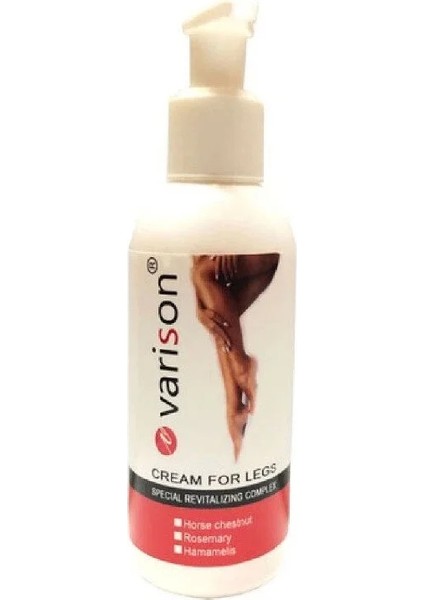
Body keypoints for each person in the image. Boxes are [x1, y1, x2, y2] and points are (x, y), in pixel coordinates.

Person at [191, 254, 280, 460]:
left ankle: (243, 369)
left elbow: (199, 270)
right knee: (219, 321)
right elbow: (195, 255)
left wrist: (231, 243)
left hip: (263, 249)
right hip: (232, 251)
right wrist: (199, 306)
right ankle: (235, 408)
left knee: (203, 276)